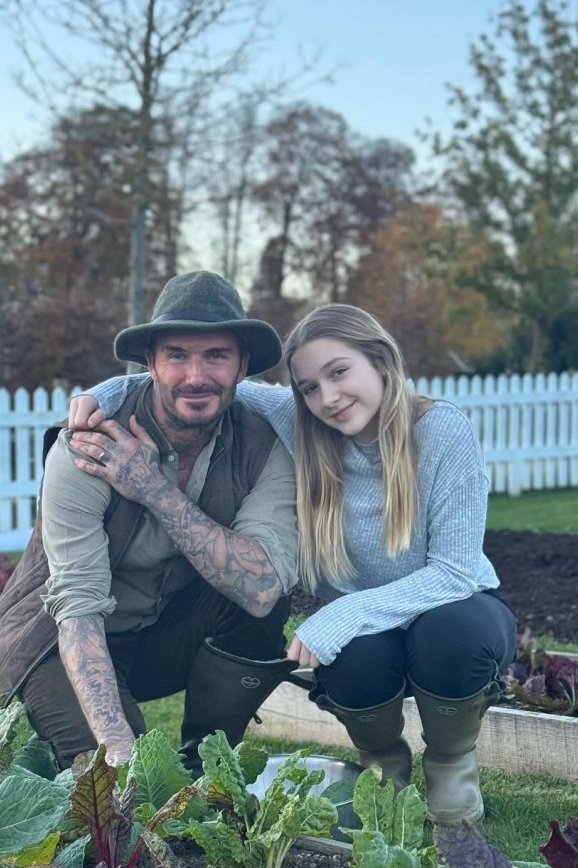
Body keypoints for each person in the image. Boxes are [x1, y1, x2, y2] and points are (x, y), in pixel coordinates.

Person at [73, 303, 516, 825]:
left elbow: (455, 572)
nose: (328, 398)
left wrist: (341, 615)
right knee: (356, 660)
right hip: (364, 626)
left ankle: (450, 767)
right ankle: (384, 770)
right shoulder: (301, 422)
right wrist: (93, 397)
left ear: (380, 361)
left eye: (339, 372)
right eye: (308, 387)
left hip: (451, 604)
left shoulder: (440, 430)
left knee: (452, 633)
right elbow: (184, 386)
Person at [0, 270, 299, 772]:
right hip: (52, 645)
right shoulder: (87, 445)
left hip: (155, 640)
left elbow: (262, 587)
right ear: (149, 363)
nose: (196, 375)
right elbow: (77, 607)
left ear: (242, 365)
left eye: (216, 355)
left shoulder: (263, 446)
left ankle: (208, 764)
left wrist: (153, 490)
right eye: (177, 355)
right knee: (125, 782)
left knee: (264, 605)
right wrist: (119, 747)